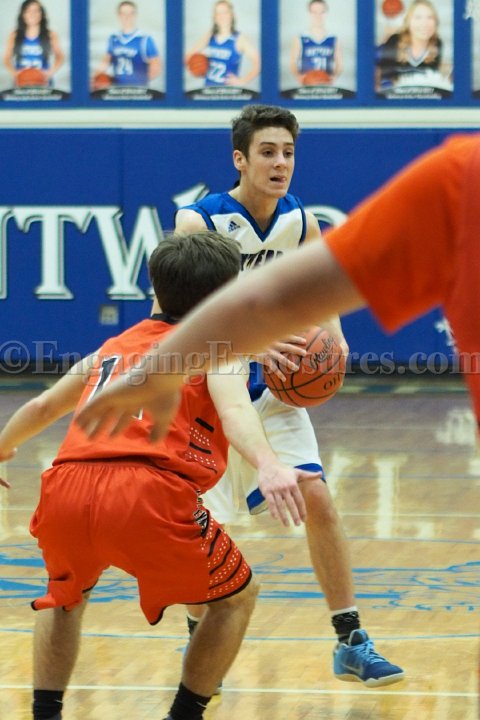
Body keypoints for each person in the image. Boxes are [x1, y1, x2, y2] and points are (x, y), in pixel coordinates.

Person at [0, 232, 318, 720]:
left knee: (65, 597)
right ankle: (184, 715)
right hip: (146, 493)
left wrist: (2, 447)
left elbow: (43, 406)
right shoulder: (218, 349)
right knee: (236, 599)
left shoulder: (112, 348)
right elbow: (236, 411)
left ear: (156, 288)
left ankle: (45, 713)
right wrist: (269, 464)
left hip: (66, 485)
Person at [173, 104, 404, 688]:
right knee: (204, 532)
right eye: (268, 152)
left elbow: (321, 289)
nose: (281, 163)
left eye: (289, 153)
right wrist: (252, 344)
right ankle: (198, 641)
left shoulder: (300, 221)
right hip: (209, 390)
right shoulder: (197, 223)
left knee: (317, 496)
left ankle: (351, 639)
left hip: (274, 389)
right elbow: (181, 325)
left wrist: (335, 336)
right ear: (240, 159)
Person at [185, 0, 260, 88]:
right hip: (208, 91)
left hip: (228, 92)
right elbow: (188, 56)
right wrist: (197, 68)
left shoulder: (240, 39)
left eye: (225, 12)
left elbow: (259, 63)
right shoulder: (209, 36)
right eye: (218, 13)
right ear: (214, 17)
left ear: (232, 14)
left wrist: (243, 81)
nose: (222, 16)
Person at [375, 0, 448, 90]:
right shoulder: (394, 40)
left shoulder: (437, 44)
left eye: (430, 17)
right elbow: (384, 79)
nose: (424, 23)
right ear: (408, 21)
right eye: (418, 17)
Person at [94, 1, 161, 87]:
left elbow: (156, 66)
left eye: (130, 13)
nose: (127, 17)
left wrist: (142, 81)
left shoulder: (144, 39)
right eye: (123, 14)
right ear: (119, 15)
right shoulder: (114, 39)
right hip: (118, 89)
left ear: (135, 15)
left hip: (138, 89)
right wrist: (96, 78)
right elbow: (105, 63)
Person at [3, 0, 64, 87]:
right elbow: (6, 59)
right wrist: (15, 74)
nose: (32, 14)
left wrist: (49, 73)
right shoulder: (15, 35)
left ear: (42, 14)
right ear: (23, 14)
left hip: (43, 83)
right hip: (21, 84)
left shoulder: (50, 34)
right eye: (28, 11)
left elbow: (60, 57)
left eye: (36, 11)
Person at [290, 0, 343, 86]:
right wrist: (298, 76)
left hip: (326, 85)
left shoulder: (334, 39)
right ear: (309, 14)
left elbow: (339, 64)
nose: (318, 16)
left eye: (322, 12)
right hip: (307, 84)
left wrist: (335, 76)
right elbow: (293, 63)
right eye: (314, 12)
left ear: (326, 13)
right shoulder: (300, 38)